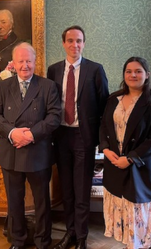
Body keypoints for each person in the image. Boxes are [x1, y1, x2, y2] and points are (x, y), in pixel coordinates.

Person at [0, 42, 61, 249]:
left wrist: (31, 134)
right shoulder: (4, 86)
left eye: (28, 61)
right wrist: (12, 133)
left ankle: (42, 241)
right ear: (13, 63)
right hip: (11, 152)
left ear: (35, 61)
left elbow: (54, 117)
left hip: (38, 151)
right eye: (20, 61)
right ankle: (17, 240)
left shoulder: (47, 86)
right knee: (14, 201)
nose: (25, 65)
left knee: (41, 202)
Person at [47, 25, 109, 249]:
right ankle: (70, 233)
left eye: (79, 41)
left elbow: (104, 106)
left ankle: (82, 237)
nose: (75, 45)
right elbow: (50, 103)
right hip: (61, 136)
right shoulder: (53, 70)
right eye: (70, 40)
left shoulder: (95, 69)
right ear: (63, 43)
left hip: (84, 137)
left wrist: (102, 139)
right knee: (67, 189)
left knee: (82, 189)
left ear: (84, 43)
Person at [99, 57, 151, 249]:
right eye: (128, 71)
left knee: (138, 221)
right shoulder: (113, 99)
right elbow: (104, 126)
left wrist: (130, 159)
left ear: (147, 75)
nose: (133, 75)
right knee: (121, 218)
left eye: (138, 71)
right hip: (114, 165)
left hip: (140, 169)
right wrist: (105, 149)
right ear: (124, 75)